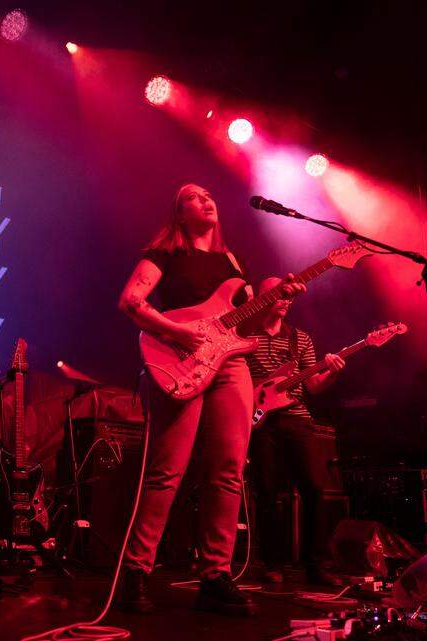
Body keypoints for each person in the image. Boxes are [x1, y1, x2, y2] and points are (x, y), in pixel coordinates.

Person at [116, 183, 303, 616]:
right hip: (178, 358)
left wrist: (277, 302)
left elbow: (245, 326)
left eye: (209, 195)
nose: (206, 199)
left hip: (230, 366)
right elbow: (131, 301)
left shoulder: (232, 262)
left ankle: (215, 576)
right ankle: (135, 572)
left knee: (228, 471)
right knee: (167, 470)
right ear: (179, 213)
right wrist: (180, 332)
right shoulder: (164, 253)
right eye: (193, 197)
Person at [242, 276, 345, 583]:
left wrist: (332, 374)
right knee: (268, 491)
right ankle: (272, 564)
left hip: (296, 417)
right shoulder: (246, 335)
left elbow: (313, 385)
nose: (285, 301)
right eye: (279, 295)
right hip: (259, 419)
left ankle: (316, 565)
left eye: (289, 298)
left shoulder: (300, 339)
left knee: (314, 488)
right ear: (263, 297)